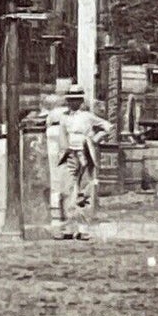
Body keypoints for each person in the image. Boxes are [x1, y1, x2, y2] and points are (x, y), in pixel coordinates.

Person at [46, 84, 110, 240]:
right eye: (70, 100)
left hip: (85, 153)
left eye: (76, 100)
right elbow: (59, 133)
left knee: (84, 191)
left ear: (81, 101)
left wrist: (95, 139)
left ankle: (83, 228)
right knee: (66, 190)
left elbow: (107, 126)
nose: (72, 103)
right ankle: (67, 227)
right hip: (70, 154)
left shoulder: (88, 116)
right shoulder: (63, 117)